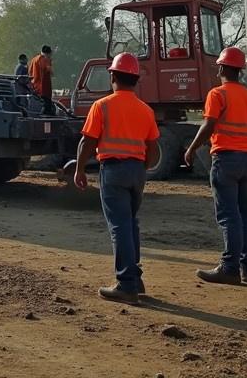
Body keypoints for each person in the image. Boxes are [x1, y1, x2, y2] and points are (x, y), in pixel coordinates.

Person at [73, 52, 159, 305]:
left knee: (120, 226)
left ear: (112, 76)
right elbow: (153, 149)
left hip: (113, 170)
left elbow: (88, 141)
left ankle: (127, 285)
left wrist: (79, 169)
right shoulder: (145, 110)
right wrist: (141, 167)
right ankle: (136, 278)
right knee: (130, 224)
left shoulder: (102, 106)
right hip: (136, 171)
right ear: (135, 79)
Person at [184, 46, 247, 285]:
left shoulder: (217, 94)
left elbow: (208, 125)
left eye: (219, 66)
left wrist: (192, 147)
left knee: (229, 216)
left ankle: (229, 268)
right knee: (245, 213)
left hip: (226, 159)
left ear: (224, 68)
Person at [29, 45, 55, 115]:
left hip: (35, 87)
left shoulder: (34, 59)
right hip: (44, 88)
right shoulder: (45, 59)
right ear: (48, 53)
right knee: (47, 109)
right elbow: (50, 71)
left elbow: (30, 72)